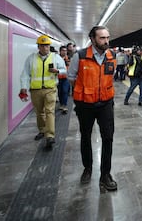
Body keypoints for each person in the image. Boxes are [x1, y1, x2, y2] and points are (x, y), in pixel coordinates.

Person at [67, 26, 117, 193]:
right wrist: (84, 91)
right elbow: (71, 78)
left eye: (107, 37)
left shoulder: (112, 56)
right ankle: (87, 167)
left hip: (106, 104)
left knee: (108, 138)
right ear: (93, 39)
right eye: (102, 38)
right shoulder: (80, 56)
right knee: (86, 136)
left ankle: (105, 174)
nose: (106, 41)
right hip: (85, 105)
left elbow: (111, 76)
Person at [20, 35, 67, 148]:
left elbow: (64, 70)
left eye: (47, 46)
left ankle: (50, 136)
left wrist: (57, 71)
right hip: (35, 90)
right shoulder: (31, 59)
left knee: (49, 111)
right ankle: (42, 130)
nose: (45, 48)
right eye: (43, 45)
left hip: (50, 89)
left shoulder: (56, 57)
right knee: (39, 112)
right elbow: (25, 74)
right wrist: (24, 87)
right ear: (38, 46)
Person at [57, 45, 70, 113]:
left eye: (65, 51)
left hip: (66, 78)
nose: (64, 52)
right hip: (58, 78)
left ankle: (64, 105)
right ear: (60, 51)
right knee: (59, 92)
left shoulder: (69, 58)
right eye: (63, 51)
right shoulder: (56, 58)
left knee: (65, 91)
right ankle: (61, 103)